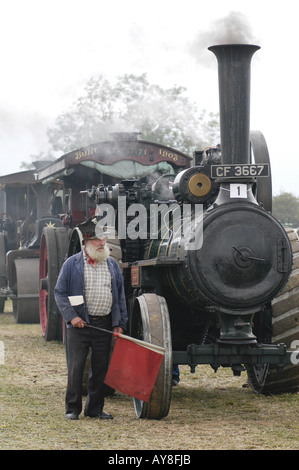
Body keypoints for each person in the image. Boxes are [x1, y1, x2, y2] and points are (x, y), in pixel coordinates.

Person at [54, 217, 128, 420]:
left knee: (100, 370)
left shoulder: (112, 265)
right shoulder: (71, 264)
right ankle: (72, 409)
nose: (103, 243)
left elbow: (120, 296)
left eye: (104, 239)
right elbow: (59, 293)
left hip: (103, 325)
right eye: (98, 239)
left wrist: (119, 324)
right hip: (79, 326)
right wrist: (72, 318)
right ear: (86, 242)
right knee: (76, 369)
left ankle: (94, 409)